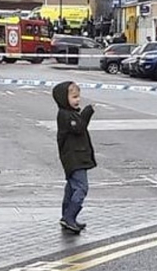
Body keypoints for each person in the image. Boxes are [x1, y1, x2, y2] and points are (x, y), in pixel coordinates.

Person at [52, 81, 97, 234]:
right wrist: (88, 111)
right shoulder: (65, 115)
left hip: (75, 157)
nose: (78, 100)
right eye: (74, 97)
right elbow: (79, 127)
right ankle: (69, 216)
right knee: (82, 188)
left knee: (71, 188)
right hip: (74, 158)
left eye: (78, 97)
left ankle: (66, 216)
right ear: (64, 99)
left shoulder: (70, 113)